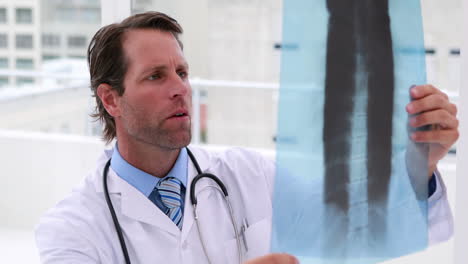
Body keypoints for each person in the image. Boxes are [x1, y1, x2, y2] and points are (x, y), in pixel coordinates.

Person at [35, 12, 459, 264]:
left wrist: (417, 166)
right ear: (111, 99)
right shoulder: (73, 229)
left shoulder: (245, 174)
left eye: (182, 72)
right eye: (155, 76)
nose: (180, 87)